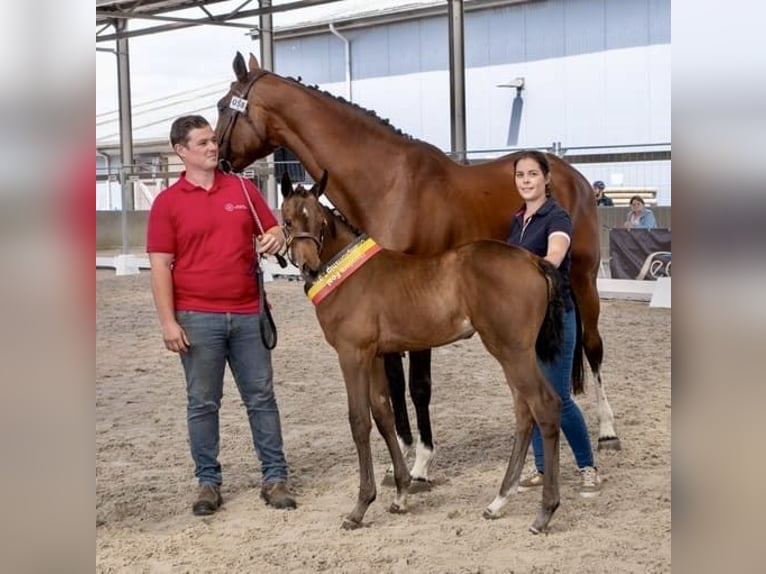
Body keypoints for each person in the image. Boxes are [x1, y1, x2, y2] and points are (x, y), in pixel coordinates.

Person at [147, 114, 296, 516]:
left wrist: (275, 235)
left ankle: (275, 477)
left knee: (261, 398)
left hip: (249, 313)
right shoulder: (167, 203)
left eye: (213, 140)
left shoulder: (244, 189)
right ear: (181, 152)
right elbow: (160, 265)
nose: (213, 147)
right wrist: (168, 321)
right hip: (196, 318)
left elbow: (277, 231)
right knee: (202, 403)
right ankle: (208, 483)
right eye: (202, 143)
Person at [508, 150, 602, 498]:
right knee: (532, 393)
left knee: (557, 397)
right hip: (525, 320)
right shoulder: (517, 221)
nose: (527, 181)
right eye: (521, 175)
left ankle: (587, 466)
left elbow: (554, 258)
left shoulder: (557, 216)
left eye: (533, 174)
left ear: (546, 178)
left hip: (556, 315)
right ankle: (543, 466)